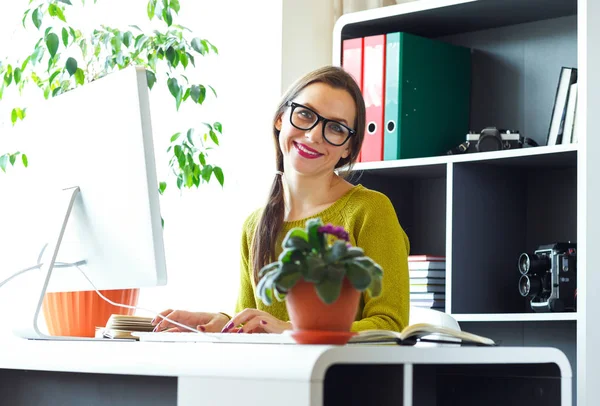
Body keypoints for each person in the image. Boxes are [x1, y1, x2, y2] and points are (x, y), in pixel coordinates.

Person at [152, 65, 410, 334]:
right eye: (305, 114)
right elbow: (254, 328)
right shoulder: (254, 226)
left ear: (348, 147)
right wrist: (221, 324)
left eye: (335, 128)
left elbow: (389, 326)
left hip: (340, 376)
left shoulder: (370, 211)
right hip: (274, 375)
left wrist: (289, 330)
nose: (313, 135)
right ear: (280, 119)